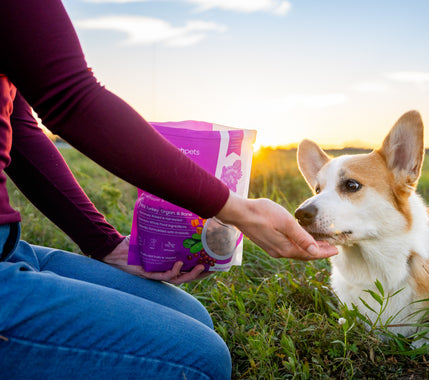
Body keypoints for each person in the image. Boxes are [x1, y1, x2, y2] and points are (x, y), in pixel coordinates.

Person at [0, 1, 338, 379]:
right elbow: (71, 99)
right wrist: (242, 212)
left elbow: (18, 128)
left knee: (191, 316)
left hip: (8, 250)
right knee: (201, 361)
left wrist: (104, 244)